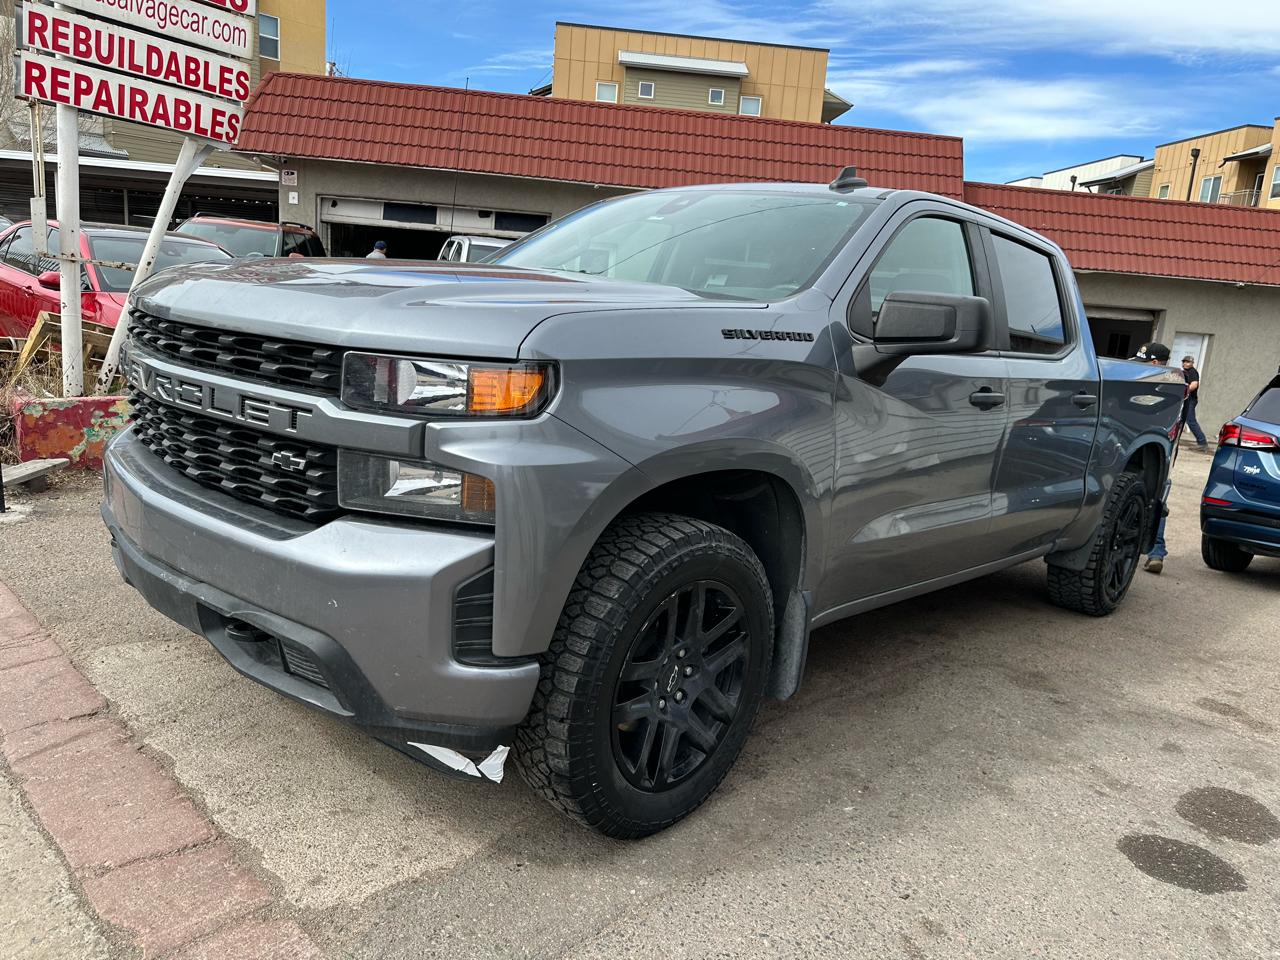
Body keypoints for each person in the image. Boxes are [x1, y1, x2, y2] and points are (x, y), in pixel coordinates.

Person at [1133, 342, 1173, 573]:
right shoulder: (1174, 386)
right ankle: (1156, 553)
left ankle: (1154, 551)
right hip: (1160, 456)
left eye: (1143, 363)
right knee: (1157, 503)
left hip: (1148, 456)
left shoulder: (1156, 388)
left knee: (1151, 502)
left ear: (1156, 363)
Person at [1181, 355, 1207, 450]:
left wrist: (1184, 392)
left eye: (1187, 362)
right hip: (1185, 399)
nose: (1185, 363)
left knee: (1191, 421)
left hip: (1190, 400)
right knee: (1181, 420)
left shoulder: (1192, 372)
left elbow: (1194, 385)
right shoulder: (1185, 372)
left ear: (1192, 363)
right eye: (1184, 361)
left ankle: (1202, 443)